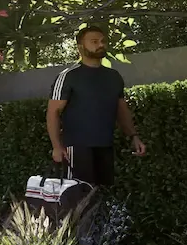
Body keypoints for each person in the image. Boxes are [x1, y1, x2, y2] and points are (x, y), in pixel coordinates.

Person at [46, 26, 148, 187]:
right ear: (80, 47)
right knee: (79, 196)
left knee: (102, 193)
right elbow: (53, 112)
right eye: (94, 41)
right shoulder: (68, 76)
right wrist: (57, 147)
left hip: (105, 145)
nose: (100, 44)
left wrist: (133, 136)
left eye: (103, 41)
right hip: (77, 148)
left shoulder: (113, 76)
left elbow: (121, 110)